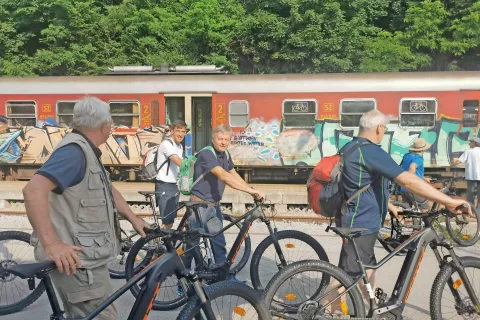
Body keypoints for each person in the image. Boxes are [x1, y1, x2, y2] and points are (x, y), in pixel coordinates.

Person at [323, 110, 471, 311]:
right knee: (347, 275)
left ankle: (375, 308)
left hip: (356, 218)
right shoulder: (370, 151)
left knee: (366, 268)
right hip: (360, 223)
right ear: (379, 128)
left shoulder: (351, 146)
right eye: (385, 128)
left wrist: (390, 206)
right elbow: (407, 180)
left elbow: (362, 185)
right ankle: (322, 309)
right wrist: (448, 201)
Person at [22, 97, 150, 320]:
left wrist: (133, 218)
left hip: (86, 261)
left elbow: (108, 190)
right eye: (111, 123)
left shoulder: (86, 150)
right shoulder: (74, 153)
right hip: (79, 265)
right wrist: (51, 244)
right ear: (104, 125)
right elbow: (33, 191)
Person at [183, 124, 265, 280]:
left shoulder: (225, 154)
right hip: (199, 206)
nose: (223, 142)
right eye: (220, 139)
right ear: (213, 139)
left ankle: (223, 277)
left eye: (226, 139)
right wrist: (250, 191)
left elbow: (233, 173)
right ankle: (184, 280)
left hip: (213, 205)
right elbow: (223, 176)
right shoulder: (207, 154)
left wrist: (251, 190)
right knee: (192, 245)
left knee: (218, 241)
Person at [155, 120, 187, 229]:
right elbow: (178, 161)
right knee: (167, 221)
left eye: (183, 131)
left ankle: (164, 244)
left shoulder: (180, 147)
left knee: (171, 220)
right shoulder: (166, 144)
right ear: (172, 131)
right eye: (178, 131)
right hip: (164, 185)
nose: (181, 134)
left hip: (174, 185)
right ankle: (159, 243)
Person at [399, 137, 432, 212]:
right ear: (423, 149)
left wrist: (423, 178)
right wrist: (410, 183)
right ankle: (427, 223)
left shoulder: (406, 156)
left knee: (407, 210)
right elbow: (412, 167)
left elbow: (409, 170)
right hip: (413, 188)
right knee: (425, 208)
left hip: (403, 188)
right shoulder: (419, 158)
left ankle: (404, 223)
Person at [449, 137, 480, 210]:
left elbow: (459, 161)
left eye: (470, 142)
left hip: (471, 177)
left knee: (470, 194)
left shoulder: (468, 152)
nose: (469, 143)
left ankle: (471, 209)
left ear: (474, 143)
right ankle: (478, 211)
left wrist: (449, 166)